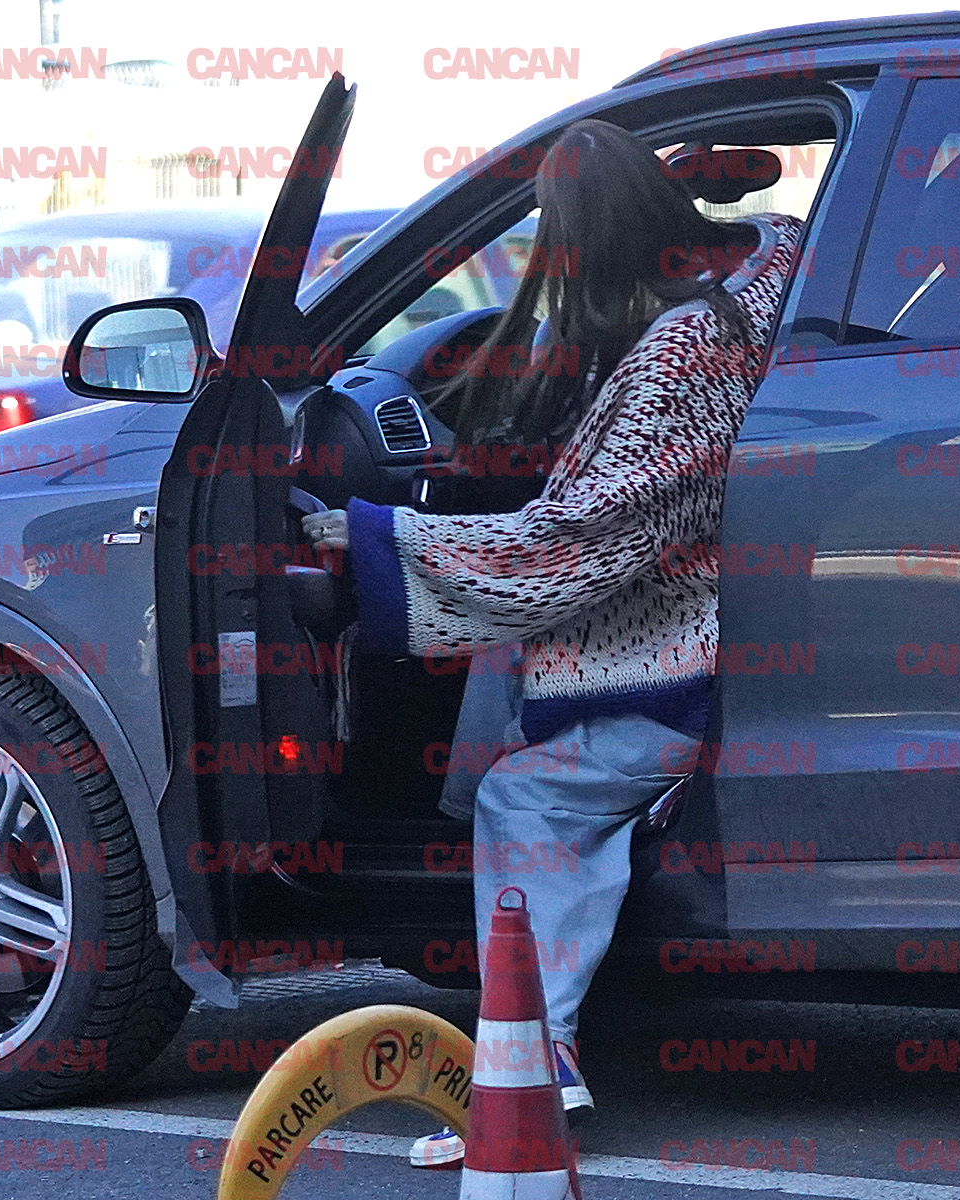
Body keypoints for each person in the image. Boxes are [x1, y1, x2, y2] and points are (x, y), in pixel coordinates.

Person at [301, 118, 803, 1169]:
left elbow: (568, 546)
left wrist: (376, 536)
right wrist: (705, 187)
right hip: (709, 636)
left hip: (673, 675)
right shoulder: (754, 286)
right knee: (503, 677)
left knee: (522, 799)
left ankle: (538, 1053)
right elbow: (782, 231)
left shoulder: (676, 361)